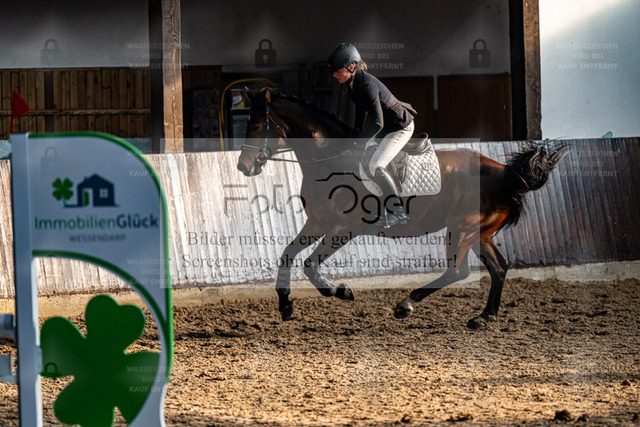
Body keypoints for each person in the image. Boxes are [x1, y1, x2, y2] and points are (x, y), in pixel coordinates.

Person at [328, 43, 416, 228]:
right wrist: (354, 138)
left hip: (399, 127)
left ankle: (398, 212)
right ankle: (381, 207)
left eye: (337, 71)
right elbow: (361, 115)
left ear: (351, 67)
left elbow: (377, 122)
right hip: (386, 129)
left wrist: (360, 142)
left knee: (376, 165)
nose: (334, 75)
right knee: (364, 161)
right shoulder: (352, 85)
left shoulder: (366, 84)